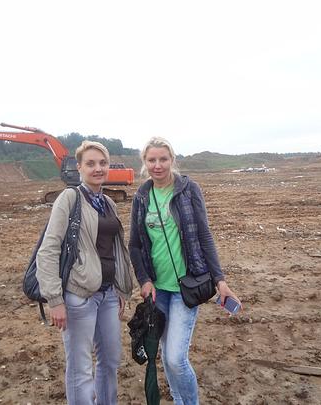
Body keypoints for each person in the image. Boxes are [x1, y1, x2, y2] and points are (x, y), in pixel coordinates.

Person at [129, 137, 241, 405]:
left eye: (163, 159)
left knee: (175, 359)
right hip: (157, 290)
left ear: (172, 160)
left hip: (185, 288)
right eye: (152, 160)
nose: (158, 165)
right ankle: (179, 400)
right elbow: (134, 245)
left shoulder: (189, 190)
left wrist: (220, 280)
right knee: (166, 353)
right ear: (145, 163)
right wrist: (144, 280)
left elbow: (204, 235)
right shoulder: (141, 197)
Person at [36, 140, 134, 405]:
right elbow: (48, 249)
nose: (98, 168)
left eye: (102, 163)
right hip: (79, 297)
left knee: (110, 361)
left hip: (108, 295)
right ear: (78, 167)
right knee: (80, 369)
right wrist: (55, 300)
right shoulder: (70, 198)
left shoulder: (108, 203)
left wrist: (120, 287)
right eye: (90, 163)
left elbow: (114, 249)